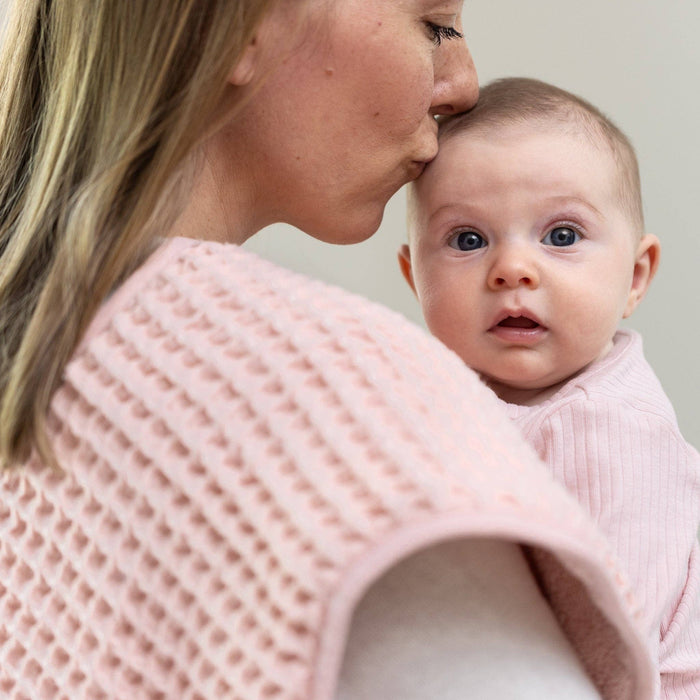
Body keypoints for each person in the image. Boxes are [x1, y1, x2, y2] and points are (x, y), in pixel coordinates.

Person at [0, 3, 655, 699]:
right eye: (433, 24)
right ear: (234, 27)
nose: (463, 82)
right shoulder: (347, 395)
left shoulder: (46, 350)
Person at [399, 76, 700, 698]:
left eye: (561, 236)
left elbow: (615, 639)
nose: (513, 269)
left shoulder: (602, 425)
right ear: (413, 275)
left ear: (635, 276)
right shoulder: (443, 395)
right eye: (468, 239)